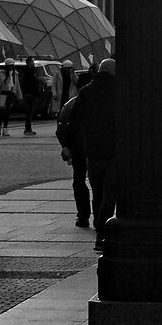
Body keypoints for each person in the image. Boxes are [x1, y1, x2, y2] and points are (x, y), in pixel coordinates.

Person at [61, 57, 118, 234]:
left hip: (91, 148)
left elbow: (73, 120)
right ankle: (102, 225)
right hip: (113, 149)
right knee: (110, 192)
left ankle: (91, 218)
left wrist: (67, 145)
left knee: (96, 190)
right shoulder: (119, 91)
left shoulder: (86, 91)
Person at [56, 68, 95, 227]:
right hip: (95, 148)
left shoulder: (70, 104)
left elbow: (61, 128)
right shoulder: (99, 103)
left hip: (78, 149)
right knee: (97, 183)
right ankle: (99, 216)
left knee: (79, 181)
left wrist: (65, 146)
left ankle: (83, 215)